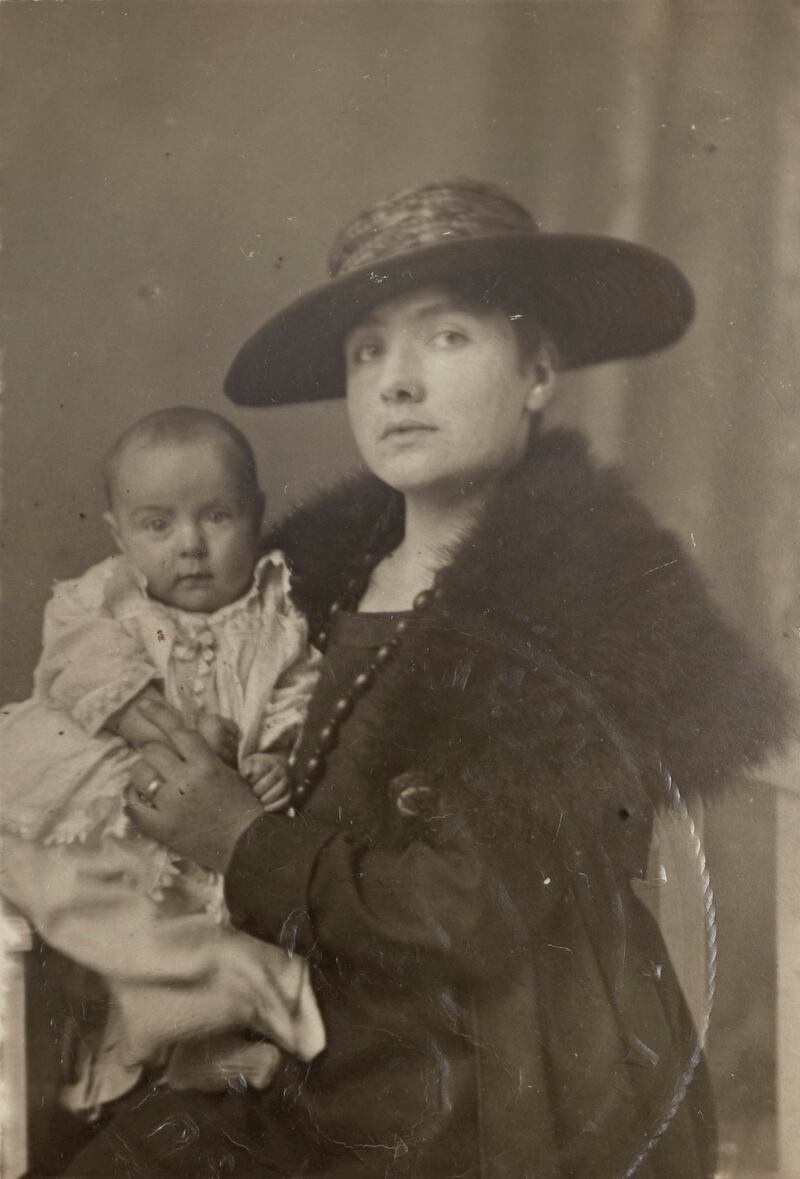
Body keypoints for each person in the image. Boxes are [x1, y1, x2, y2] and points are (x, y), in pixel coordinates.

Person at [64, 179, 791, 1177]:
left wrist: (240, 838)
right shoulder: (296, 584)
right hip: (325, 1033)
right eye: (368, 352)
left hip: (507, 1079)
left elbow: (474, 911)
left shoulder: (579, 598)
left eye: (446, 337)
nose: (396, 383)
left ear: (537, 371)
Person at [0, 407, 324, 1114]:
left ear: (256, 514)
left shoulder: (277, 611)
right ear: (119, 534)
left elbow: (299, 691)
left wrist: (275, 758)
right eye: (157, 524)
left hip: (211, 827)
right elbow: (77, 661)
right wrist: (159, 722)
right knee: (81, 896)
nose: (191, 546)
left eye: (217, 517)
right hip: (113, 811)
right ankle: (207, 1014)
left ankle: (196, 1043)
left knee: (204, 917)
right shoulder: (105, 595)